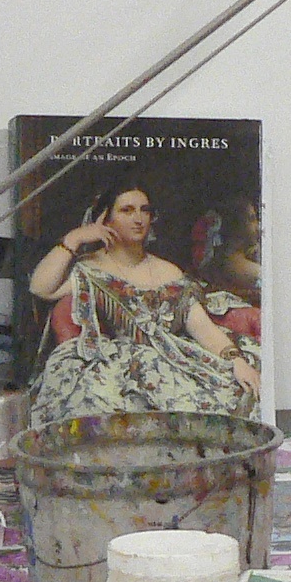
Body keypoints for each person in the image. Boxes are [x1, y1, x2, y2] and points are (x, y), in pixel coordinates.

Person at [26, 180, 259, 425]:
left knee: (228, 395)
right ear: (106, 220)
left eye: (144, 210)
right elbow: (41, 288)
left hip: (173, 362)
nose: (138, 219)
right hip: (118, 369)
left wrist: (236, 361)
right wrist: (75, 238)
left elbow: (201, 327)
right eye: (127, 210)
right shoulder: (90, 269)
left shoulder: (168, 271)